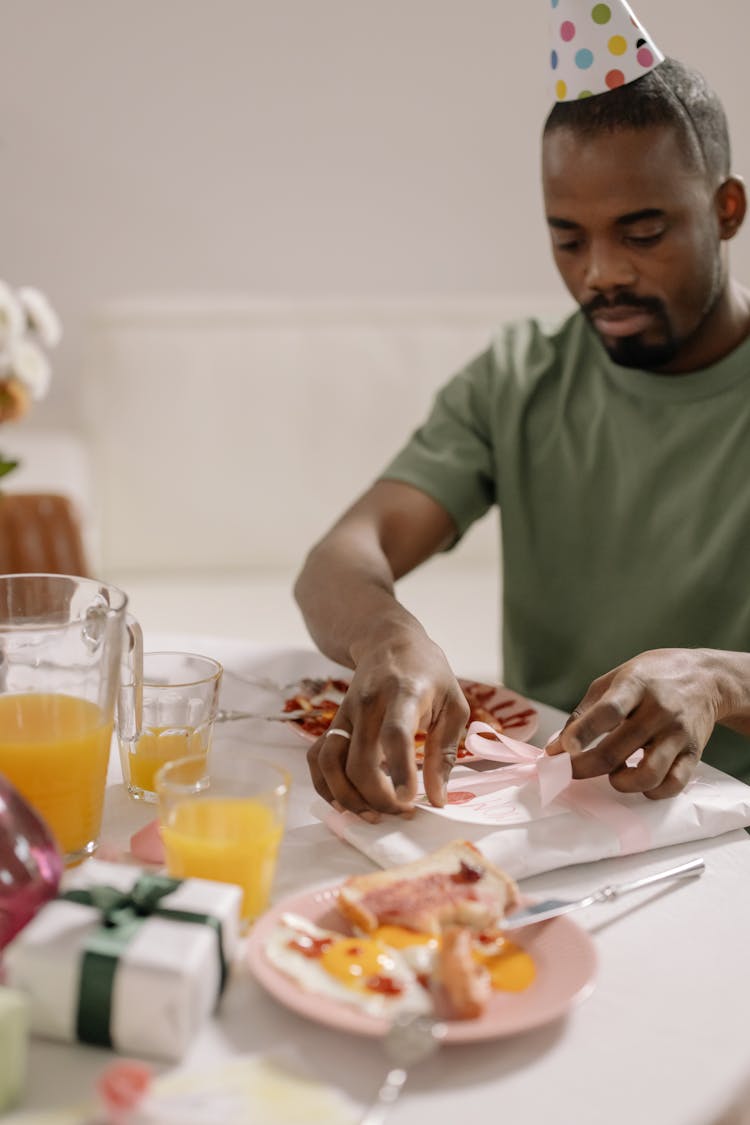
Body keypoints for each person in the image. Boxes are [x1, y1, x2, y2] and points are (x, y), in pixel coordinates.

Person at [294, 5, 750, 820]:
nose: (601, 273)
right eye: (569, 239)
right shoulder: (517, 377)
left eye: (642, 232)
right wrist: (388, 638)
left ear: (726, 211)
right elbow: (340, 557)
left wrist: (721, 679)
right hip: (546, 819)